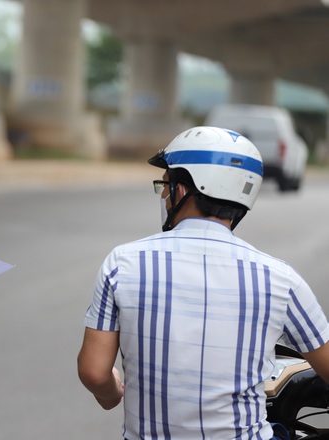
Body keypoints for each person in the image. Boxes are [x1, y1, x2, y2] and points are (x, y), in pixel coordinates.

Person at [77, 126, 329, 439]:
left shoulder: (123, 262)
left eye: (166, 187)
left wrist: (111, 393)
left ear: (182, 190)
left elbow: (94, 371)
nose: (165, 196)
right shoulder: (278, 277)